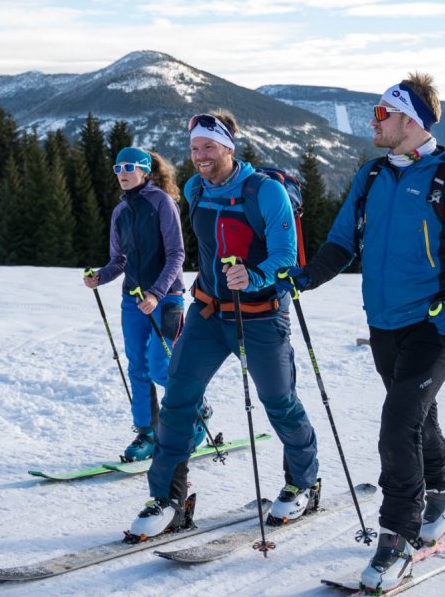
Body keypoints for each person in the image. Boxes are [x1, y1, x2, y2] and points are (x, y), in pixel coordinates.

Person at [278, 73, 445, 592]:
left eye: (383, 113)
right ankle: (442, 494)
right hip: (382, 324)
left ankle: (397, 538)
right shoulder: (372, 177)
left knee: (397, 422)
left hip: (435, 324)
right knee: (415, 418)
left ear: (410, 121)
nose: (373, 121)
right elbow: (342, 243)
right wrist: (308, 276)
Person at [130, 110, 320, 538]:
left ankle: (304, 482)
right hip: (208, 312)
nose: (200, 156)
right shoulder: (196, 188)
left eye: (209, 147)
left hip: (261, 316)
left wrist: (254, 275)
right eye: (195, 148)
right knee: (179, 397)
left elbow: (286, 255)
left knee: (279, 401)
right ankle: (168, 499)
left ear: (229, 148)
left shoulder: (265, 192)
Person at [84, 147, 200, 462]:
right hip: (132, 299)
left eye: (129, 166)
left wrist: (156, 293)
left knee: (161, 365)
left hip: (167, 297)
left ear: (145, 171)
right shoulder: (120, 212)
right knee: (137, 366)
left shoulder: (162, 203)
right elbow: (118, 260)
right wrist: (100, 276)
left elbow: (177, 254)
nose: (122, 172)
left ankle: (196, 412)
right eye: (117, 167)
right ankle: (147, 433)